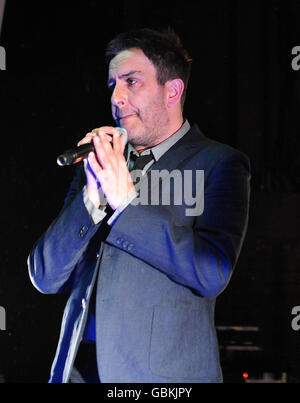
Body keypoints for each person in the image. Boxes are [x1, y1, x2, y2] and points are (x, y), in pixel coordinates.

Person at [28, 28, 251, 383]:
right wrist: (92, 198)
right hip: (76, 373)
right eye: (113, 84)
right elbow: (44, 276)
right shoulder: (102, 165)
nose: (116, 97)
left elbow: (213, 273)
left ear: (172, 91)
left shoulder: (219, 163)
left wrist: (126, 204)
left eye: (132, 82)